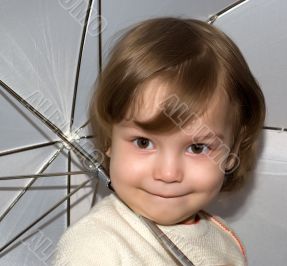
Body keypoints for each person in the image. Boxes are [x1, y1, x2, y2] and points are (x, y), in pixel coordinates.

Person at [53, 17, 265, 265]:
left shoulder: (224, 242)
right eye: (143, 143)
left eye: (197, 148)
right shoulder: (93, 250)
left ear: (232, 153)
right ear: (110, 138)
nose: (168, 173)